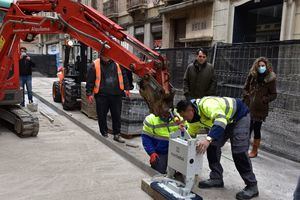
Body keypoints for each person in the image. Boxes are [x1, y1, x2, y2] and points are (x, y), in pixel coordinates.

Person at [176, 97, 259, 200]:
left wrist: (208, 139)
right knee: (212, 147)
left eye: (184, 116)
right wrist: (183, 134)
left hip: (239, 116)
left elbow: (221, 120)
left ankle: (252, 185)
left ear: (190, 110)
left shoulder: (207, 104)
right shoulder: (193, 120)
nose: (185, 119)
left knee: (239, 151)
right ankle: (216, 178)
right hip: (226, 121)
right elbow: (190, 137)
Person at [86, 55, 132, 143]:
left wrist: (127, 88)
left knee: (117, 115)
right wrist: (89, 93)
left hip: (116, 94)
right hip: (101, 95)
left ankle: (117, 134)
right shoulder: (95, 64)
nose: (106, 56)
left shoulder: (118, 64)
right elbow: (90, 80)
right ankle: (104, 133)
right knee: (102, 115)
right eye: (104, 55)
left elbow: (124, 76)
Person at [243, 57, 277, 158]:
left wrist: (264, 100)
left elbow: (274, 94)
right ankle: (244, 149)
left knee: (257, 129)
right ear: (256, 66)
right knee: (247, 128)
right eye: (259, 66)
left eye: (263, 66)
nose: (261, 67)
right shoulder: (252, 75)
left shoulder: (270, 79)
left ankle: (254, 150)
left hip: (260, 109)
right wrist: (247, 96)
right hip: (249, 107)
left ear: (266, 66)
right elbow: (245, 88)